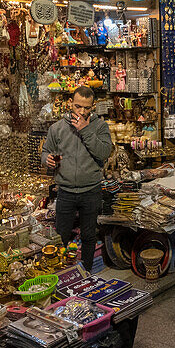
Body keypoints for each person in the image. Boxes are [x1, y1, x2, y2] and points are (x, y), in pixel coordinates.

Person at [41, 86, 113, 271]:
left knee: (89, 235)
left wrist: (86, 130)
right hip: (65, 190)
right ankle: (63, 273)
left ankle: (87, 272)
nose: (82, 111)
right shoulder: (57, 128)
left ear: (93, 107)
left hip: (91, 190)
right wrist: (48, 160)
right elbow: (46, 152)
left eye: (87, 108)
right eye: (78, 106)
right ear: (70, 103)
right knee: (62, 235)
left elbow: (104, 152)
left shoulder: (100, 126)